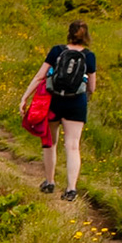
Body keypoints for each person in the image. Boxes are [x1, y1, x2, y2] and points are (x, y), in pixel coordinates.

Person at [15, 19, 96, 201]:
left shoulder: (57, 51)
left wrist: (25, 97)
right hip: (76, 103)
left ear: (69, 33)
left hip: (53, 101)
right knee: (73, 146)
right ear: (86, 36)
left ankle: (49, 182)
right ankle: (71, 189)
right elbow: (92, 87)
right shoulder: (89, 56)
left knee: (50, 142)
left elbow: (39, 76)